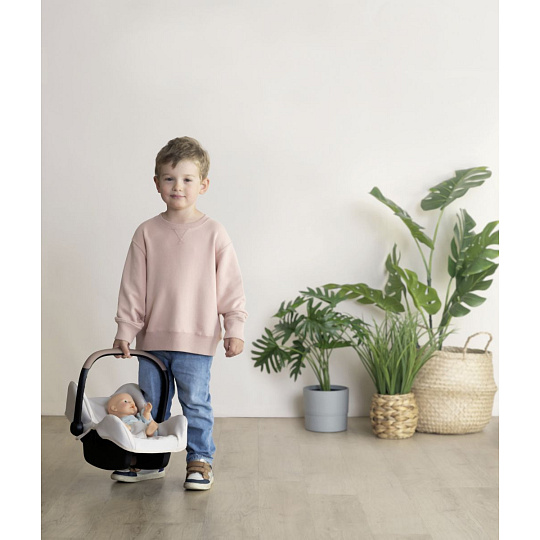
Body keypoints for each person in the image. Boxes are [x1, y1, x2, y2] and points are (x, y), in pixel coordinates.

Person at [111, 137, 247, 489]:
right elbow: (133, 287)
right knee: (151, 406)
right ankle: (149, 460)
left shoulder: (215, 233)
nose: (178, 187)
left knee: (196, 404)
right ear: (157, 183)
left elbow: (230, 287)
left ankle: (200, 460)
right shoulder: (146, 232)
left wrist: (234, 328)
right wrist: (126, 330)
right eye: (169, 178)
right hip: (152, 341)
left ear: (203, 184)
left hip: (197, 341)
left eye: (187, 179)